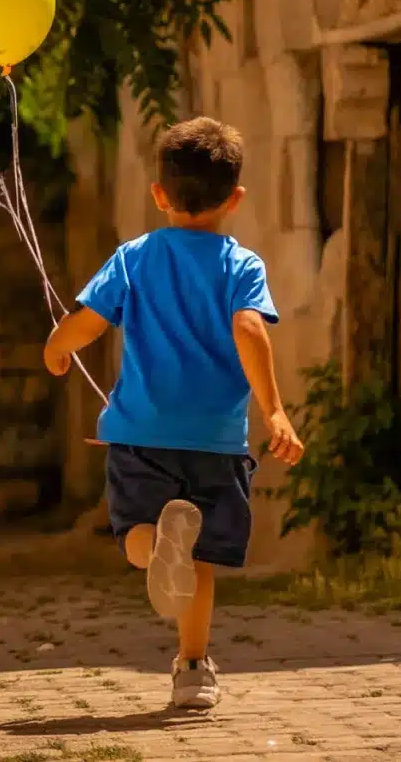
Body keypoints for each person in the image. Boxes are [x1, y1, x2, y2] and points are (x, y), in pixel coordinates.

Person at [42, 116, 304, 710]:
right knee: (200, 560)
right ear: (234, 199)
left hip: (142, 434)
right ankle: (192, 669)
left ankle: (158, 546)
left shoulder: (135, 257)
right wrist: (276, 412)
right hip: (215, 440)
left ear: (159, 194)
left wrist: (57, 346)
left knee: (135, 532)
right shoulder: (242, 265)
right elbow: (248, 328)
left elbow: (89, 320)